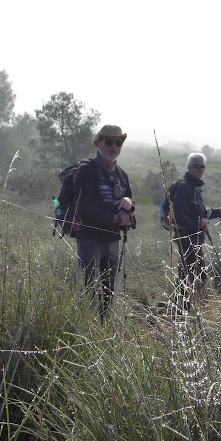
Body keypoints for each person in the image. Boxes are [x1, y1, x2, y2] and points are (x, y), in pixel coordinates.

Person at [72, 124, 135, 323]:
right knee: (91, 288)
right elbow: (82, 208)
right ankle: (85, 327)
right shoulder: (86, 169)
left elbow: (130, 205)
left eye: (118, 142)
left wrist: (129, 203)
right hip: (89, 239)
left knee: (109, 290)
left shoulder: (122, 174)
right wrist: (115, 219)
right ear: (98, 143)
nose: (114, 146)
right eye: (109, 142)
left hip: (113, 240)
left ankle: (104, 327)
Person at [171, 152, 221, 313]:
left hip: (193, 239)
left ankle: (184, 310)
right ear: (189, 167)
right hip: (186, 239)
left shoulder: (193, 187)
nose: (201, 169)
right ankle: (183, 312)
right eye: (197, 166)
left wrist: (217, 212)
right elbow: (177, 215)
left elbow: (199, 213)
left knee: (191, 274)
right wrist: (198, 224)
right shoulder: (185, 187)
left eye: (203, 166)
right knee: (193, 275)